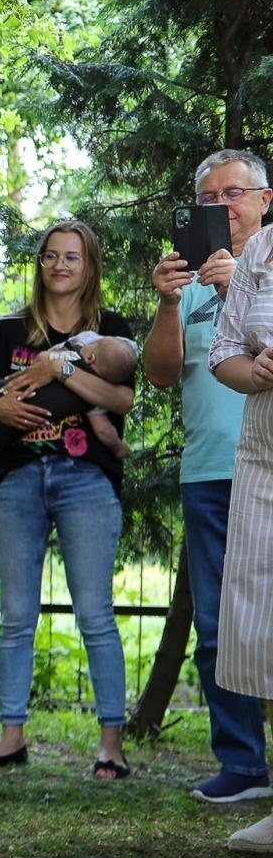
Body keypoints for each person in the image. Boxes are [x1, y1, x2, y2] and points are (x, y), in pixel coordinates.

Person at [0, 222, 136, 779]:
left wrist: (61, 369)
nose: (60, 265)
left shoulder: (111, 331)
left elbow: (122, 397)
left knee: (95, 615)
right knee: (15, 616)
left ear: (90, 267)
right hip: (17, 480)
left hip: (87, 480)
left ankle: (111, 745)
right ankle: (11, 736)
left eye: (72, 258)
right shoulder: (9, 330)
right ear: (39, 264)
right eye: (51, 256)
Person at [148, 149, 273, 807]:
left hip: (269, 467)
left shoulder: (269, 271)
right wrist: (170, 303)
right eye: (210, 198)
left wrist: (234, 289)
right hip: (208, 472)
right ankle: (243, 763)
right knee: (221, 625)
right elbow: (162, 373)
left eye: (235, 193)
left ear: (264, 200)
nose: (224, 207)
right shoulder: (188, 281)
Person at [208, 219, 273, 851]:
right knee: (266, 631)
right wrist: (254, 370)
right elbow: (222, 352)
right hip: (264, 458)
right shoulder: (261, 247)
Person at [0, 334, 138, 475]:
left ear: (91, 357)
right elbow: (104, 430)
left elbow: (43, 358)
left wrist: (55, 364)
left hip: (10, 389)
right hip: (26, 422)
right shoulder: (91, 397)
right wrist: (118, 447)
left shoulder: (70, 355)